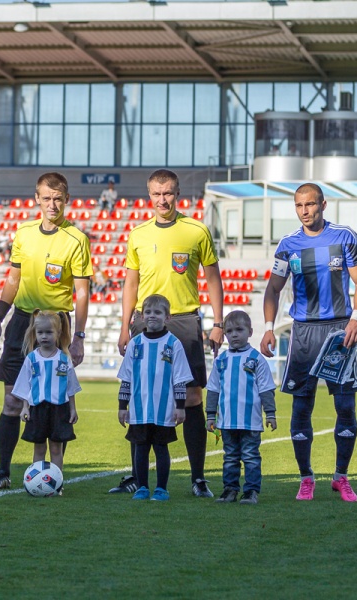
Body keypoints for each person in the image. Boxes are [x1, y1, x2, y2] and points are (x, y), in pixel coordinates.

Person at [115, 168, 225, 498]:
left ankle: (198, 478)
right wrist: (124, 326)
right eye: (156, 194)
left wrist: (218, 323)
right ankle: (138, 478)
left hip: (184, 321)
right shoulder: (138, 234)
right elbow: (130, 283)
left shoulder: (196, 231)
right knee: (140, 396)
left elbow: (213, 278)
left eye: (168, 193)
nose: (162, 200)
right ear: (149, 195)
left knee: (192, 398)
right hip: (144, 321)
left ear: (178, 194)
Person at [260, 182, 357, 503]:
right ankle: (306, 478)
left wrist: (356, 318)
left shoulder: (344, 237)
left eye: (310, 204)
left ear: (323, 204)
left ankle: (341, 477)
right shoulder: (288, 245)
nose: (304, 211)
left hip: (339, 331)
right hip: (304, 332)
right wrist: (268, 327)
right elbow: (273, 289)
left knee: (345, 405)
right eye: (299, 205)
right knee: (301, 406)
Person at [0, 172, 91, 491]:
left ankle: (54, 477)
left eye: (58, 199)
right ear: (37, 199)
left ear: (67, 200)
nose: (52, 204)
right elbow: (12, 280)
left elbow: (82, 293)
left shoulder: (77, 239)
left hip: (56, 324)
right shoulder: (24, 233)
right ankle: (3, 472)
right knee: (12, 401)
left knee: (55, 402)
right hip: (21, 322)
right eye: (46, 198)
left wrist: (79, 337)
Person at [117, 294, 194, 502]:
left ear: (167, 317)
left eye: (158, 312)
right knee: (140, 449)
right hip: (139, 409)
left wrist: (180, 407)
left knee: (161, 448)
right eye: (148, 312)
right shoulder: (135, 343)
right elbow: (126, 379)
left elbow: (180, 379)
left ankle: (161, 489)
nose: (152, 316)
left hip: (164, 409)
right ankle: (142, 487)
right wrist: (122, 406)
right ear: (142, 316)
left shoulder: (173, 344)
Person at [205, 310, 276, 505]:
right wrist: (210, 415)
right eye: (229, 331)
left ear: (250, 332)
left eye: (239, 330)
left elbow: (266, 389)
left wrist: (270, 413)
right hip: (227, 422)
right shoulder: (221, 361)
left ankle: (251, 491)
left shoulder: (256, 359)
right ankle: (230, 490)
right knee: (230, 458)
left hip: (250, 422)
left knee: (251, 457)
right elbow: (213, 390)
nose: (234, 335)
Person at [13, 310, 80, 492]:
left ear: (58, 333)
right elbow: (25, 385)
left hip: (59, 409)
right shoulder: (31, 358)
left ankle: (57, 484)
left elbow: (71, 386)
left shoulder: (64, 359)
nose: (44, 336)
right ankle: (37, 483)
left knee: (56, 448)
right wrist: (25, 407)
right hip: (37, 409)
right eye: (40, 332)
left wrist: (73, 409)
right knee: (39, 448)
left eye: (49, 332)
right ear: (35, 333)